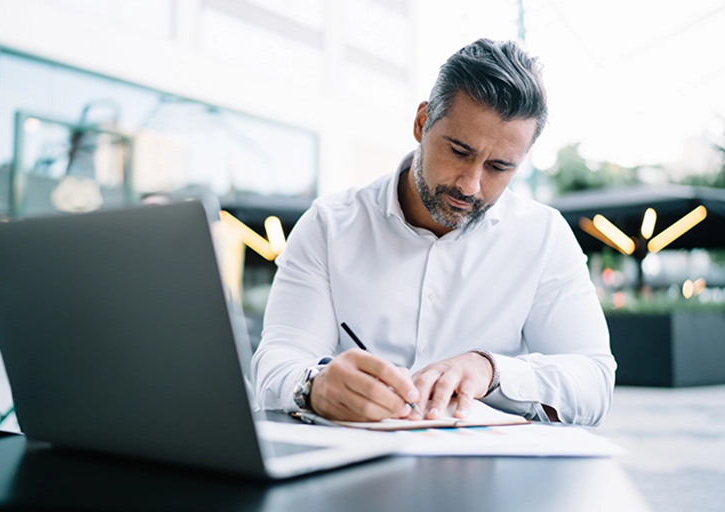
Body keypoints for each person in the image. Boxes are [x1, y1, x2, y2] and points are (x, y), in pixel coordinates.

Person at [251, 38, 616, 426]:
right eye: (459, 151)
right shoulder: (329, 225)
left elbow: (593, 383)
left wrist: (491, 371)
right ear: (422, 122)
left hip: (488, 476)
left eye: (499, 167)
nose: (471, 185)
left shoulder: (543, 237)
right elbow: (277, 362)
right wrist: (314, 385)